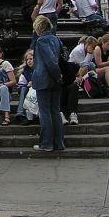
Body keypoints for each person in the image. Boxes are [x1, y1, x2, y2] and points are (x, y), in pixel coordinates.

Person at [30, 15, 65, 152]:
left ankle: (46, 143)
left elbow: (50, 61)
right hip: (56, 81)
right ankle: (58, 143)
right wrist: (59, 77)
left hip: (45, 79)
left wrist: (56, 75)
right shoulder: (56, 39)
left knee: (45, 112)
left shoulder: (41, 41)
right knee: (55, 111)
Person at [63, 36, 98, 125]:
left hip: (79, 70)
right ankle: (79, 81)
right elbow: (82, 64)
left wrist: (90, 53)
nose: (93, 49)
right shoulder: (78, 50)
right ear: (88, 44)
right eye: (93, 47)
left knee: (92, 66)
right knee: (88, 66)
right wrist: (90, 54)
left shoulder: (88, 50)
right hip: (73, 71)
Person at [15, 50, 35, 123]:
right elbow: (20, 84)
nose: (29, 61)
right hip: (27, 90)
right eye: (27, 60)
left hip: (38, 90)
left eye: (31, 59)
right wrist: (27, 85)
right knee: (23, 88)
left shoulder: (40, 69)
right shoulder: (25, 71)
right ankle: (20, 113)